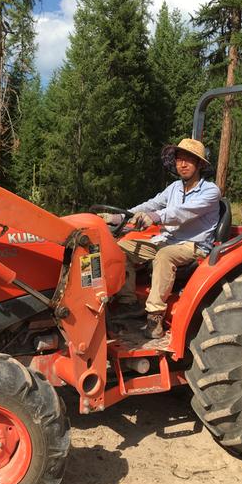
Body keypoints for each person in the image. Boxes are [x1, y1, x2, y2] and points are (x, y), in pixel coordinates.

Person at [99, 138, 220, 339]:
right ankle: (128, 302)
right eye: (180, 159)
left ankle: (154, 318)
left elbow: (183, 212)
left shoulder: (210, 191)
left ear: (199, 164)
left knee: (164, 256)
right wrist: (119, 217)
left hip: (194, 245)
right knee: (120, 248)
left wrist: (156, 217)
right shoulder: (174, 188)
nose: (182, 164)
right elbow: (151, 204)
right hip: (167, 238)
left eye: (189, 160)